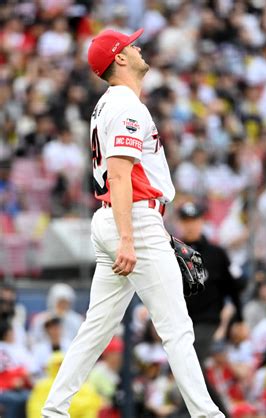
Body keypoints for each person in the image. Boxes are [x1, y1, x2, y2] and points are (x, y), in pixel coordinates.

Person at [42, 28, 223, 417]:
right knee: (177, 329)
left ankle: (53, 411)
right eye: (131, 44)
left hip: (118, 219)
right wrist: (129, 238)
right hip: (133, 220)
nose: (138, 46)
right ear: (119, 58)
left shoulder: (106, 104)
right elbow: (121, 175)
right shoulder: (126, 105)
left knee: (95, 330)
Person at [177, 201, 244, 415]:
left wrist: (240, 320)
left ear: (202, 221)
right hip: (180, 320)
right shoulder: (172, 252)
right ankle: (210, 412)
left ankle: (206, 412)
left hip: (207, 320)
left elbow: (232, 289)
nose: (190, 226)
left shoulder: (216, 253)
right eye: (186, 221)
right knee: (188, 369)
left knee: (190, 366)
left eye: (194, 220)